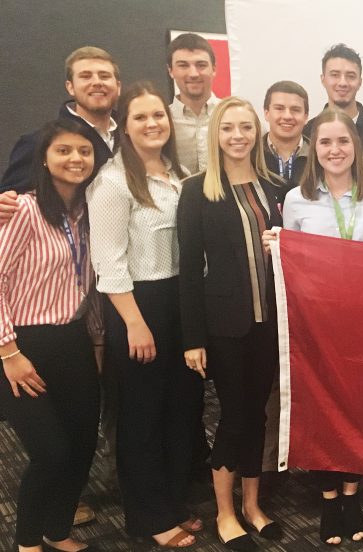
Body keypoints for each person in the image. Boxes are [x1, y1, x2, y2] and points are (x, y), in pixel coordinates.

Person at [85, 81, 204, 548]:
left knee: (182, 409)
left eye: (158, 115)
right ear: (125, 127)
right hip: (138, 306)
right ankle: (150, 518)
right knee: (141, 417)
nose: (153, 124)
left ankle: (173, 502)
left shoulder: (180, 173)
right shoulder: (112, 182)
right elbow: (109, 262)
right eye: (141, 117)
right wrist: (135, 323)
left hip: (182, 302)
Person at [262, 108, 363, 545]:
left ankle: (352, 494)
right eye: (325, 143)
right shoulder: (297, 198)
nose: (335, 150)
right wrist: (276, 245)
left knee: (356, 408)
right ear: (313, 149)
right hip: (314, 324)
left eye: (343, 142)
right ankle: (329, 497)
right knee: (318, 409)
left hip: (362, 323)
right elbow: (290, 262)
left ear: (357, 147)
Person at [177, 97, 285, 552]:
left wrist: (279, 243)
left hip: (269, 322)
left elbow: (288, 251)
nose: (238, 136)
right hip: (225, 325)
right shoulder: (197, 189)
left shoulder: (270, 186)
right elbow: (188, 268)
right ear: (215, 135)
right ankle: (224, 511)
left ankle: (253, 506)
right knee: (234, 416)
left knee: (258, 414)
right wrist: (193, 339)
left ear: (256, 132)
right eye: (229, 128)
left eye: (246, 127)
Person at [0, 118, 103, 552]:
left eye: (84, 151)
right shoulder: (21, 209)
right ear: (44, 158)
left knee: (81, 447)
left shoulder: (88, 212)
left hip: (74, 341)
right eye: (64, 150)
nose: (75, 159)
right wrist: (9, 352)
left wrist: (95, 341)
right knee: (51, 452)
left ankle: (56, 531)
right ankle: (26, 543)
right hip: (23, 346)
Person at [2, 47, 121, 193]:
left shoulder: (134, 137)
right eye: (85, 76)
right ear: (70, 87)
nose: (96, 82)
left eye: (104, 76)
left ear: (118, 86)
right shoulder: (39, 142)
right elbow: (10, 200)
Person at [167, 33, 219, 175]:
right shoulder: (161, 122)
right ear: (171, 71)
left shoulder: (233, 116)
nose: (194, 73)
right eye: (183, 65)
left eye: (201, 65)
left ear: (214, 69)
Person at [308, 43, 363, 148]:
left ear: (360, 82)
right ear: (323, 80)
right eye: (335, 75)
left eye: (351, 76)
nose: (343, 83)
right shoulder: (308, 131)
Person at [262, 80, 310, 190]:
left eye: (295, 110)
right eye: (279, 108)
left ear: (306, 116)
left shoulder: (319, 157)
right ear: (266, 113)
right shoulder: (251, 156)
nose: (287, 116)